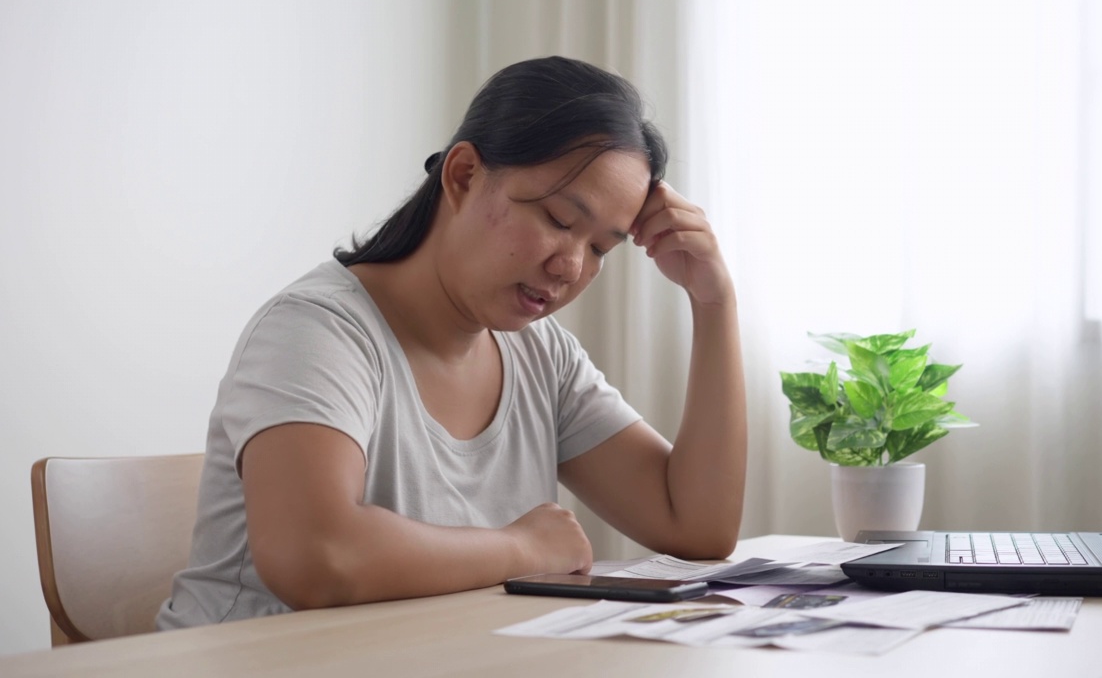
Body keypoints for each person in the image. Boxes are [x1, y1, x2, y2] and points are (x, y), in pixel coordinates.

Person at [156, 55, 747, 630]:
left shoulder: (542, 356)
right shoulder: (315, 330)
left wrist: (713, 301)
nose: (570, 266)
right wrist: (523, 548)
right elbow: (316, 558)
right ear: (464, 175)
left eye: (600, 249)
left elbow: (695, 528)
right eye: (559, 220)